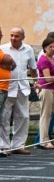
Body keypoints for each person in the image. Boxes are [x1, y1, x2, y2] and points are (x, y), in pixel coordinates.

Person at [0, 27, 37, 155]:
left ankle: (18, 145)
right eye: (11, 35)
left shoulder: (28, 49)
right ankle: (4, 145)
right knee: (4, 117)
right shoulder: (3, 48)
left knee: (23, 117)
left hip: (23, 87)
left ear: (23, 37)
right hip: (7, 88)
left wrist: (36, 81)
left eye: (16, 36)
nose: (13, 38)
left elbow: (33, 68)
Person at [0, 26, 17, 157]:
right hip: (1, 88)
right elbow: (9, 61)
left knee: (2, 117)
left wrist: (8, 63)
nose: (1, 35)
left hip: (4, 88)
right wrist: (7, 62)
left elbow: (11, 63)